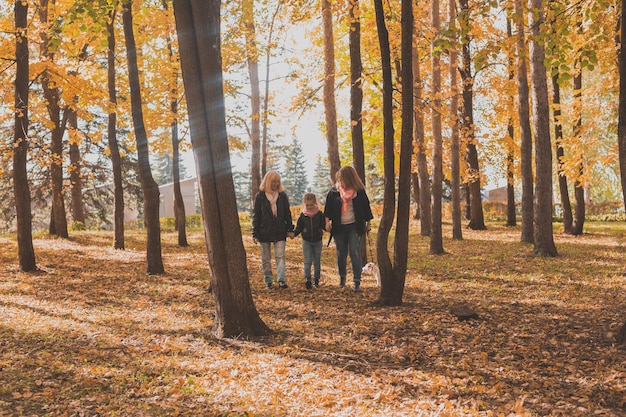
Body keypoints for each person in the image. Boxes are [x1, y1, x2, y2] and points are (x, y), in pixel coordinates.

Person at [324, 166, 373, 292]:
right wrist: (327, 222)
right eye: (339, 179)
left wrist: (368, 223)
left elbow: (366, 208)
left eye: (343, 179)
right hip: (339, 227)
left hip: (355, 226)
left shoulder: (359, 192)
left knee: (354, 251)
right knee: (341, 253)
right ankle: (342, 278)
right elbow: (327, 209)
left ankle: (357, 280)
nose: (341, 181)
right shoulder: (334, 192)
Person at [252, 170, 294, 289]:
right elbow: (256, 215)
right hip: (264, 231)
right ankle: (268, 281)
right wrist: (254, 233)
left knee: (280, 256)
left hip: (280, 230)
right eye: (273, 182)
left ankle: (281, 280)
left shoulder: (282, 195)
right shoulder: (260, 196)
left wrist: (290, 229)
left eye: (277, 182)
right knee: (266, 258)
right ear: (268, 181)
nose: (275, 184)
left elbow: (287, 213)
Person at [293, 193, 325, 289]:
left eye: (311, 205)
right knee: (307, 260)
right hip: (306, 240)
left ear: (315, 203)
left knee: (317, 261)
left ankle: (316, 280)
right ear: (304, 204)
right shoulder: (303, 215)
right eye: (307, 205)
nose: (310, 207)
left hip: (317, 240)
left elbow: (323, 225)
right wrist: (293, 234)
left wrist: (329, 228)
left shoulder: (319, 214)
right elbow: (299, 228)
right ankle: (308, 279)